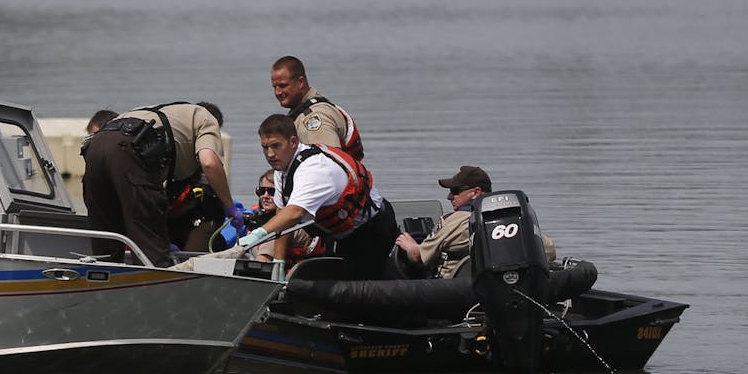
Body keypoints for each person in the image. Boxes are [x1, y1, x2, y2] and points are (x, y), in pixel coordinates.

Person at [81, 101, 243, 266]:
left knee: (105, 240)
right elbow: (209, 163)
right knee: (150, 249)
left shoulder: (161, 113)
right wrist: (230, 206)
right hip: (129, 150)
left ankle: (104, 281)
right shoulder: (206, 118)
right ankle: (154, 285)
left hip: (94, 146)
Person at [237, 114, 396, 279]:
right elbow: (282, 216)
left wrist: (259, 233)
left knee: (360, 287)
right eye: (265, 147)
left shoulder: (313, 169)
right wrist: (279, 262)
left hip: (372, 229)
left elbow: (295, 212)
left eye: (276, 146)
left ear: (293, 142)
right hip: (342, 235)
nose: (270, 154)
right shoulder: (282, 169)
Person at [394, 165, 557, 277]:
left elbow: (418, 256)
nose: (449, 196)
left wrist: (408, 245)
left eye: (455, 191)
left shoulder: (455, 221)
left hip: (454, 294)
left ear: (475, 192)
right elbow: (548, 248)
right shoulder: (510, 220)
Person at [269, 55, 364, 159]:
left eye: (283, 86)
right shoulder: (304, 109)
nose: (277, 92)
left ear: (300, 82)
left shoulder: (314, 118)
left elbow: (326, 165)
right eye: (275, 87)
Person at [251, 169, 322, 264]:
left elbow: (283, 225)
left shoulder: (299, 215)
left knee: (277, 231)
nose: (265, 196)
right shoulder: (255, 216)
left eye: (272, 192)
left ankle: (262, 263)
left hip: (301, 236)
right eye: (262, 190)